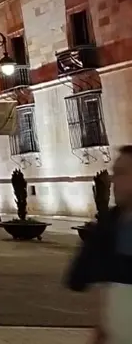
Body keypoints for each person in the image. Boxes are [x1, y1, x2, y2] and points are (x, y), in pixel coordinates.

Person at [67, 145, 132, 343]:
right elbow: (82, 277)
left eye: (121, 174)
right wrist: (103, 328)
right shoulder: (111, 224)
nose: (113, 181)